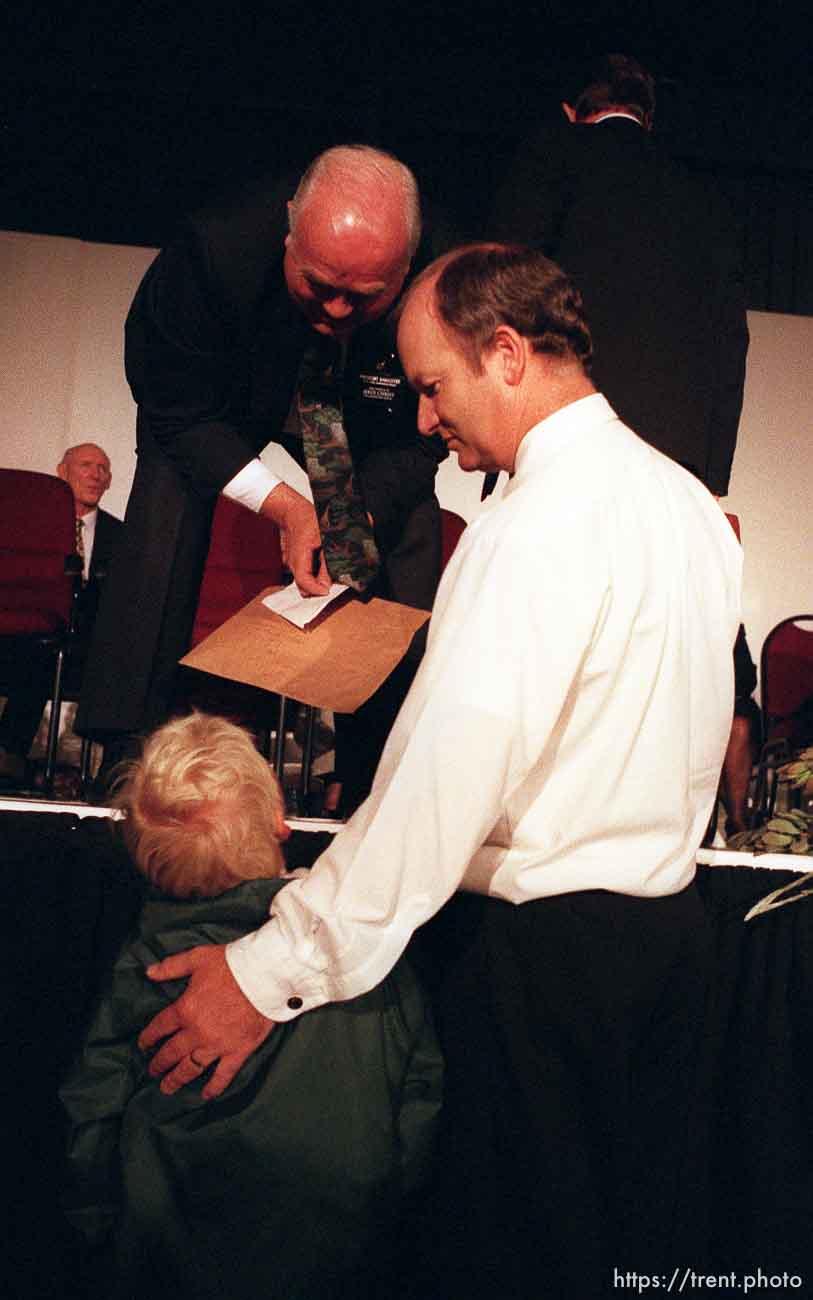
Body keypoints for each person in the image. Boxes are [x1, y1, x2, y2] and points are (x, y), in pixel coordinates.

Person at [131, 245, 742, 1295]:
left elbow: (444, 784)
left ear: (506, 353)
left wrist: (272, 970)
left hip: (537, 971)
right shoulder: (687, 502)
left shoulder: (540, 523)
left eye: (431, 385)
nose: (422, 421)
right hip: (669, 959)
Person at [76, 145, 446, 813]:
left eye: (361, 296)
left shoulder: (443, 280)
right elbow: (171, 407)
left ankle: (378, 768)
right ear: (286, 228)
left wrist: (346, 514)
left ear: (406, 268)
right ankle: (126, 746)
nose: (334, 311)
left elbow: (415, 447)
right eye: (318, 284)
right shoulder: (210, 250)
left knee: (400, 525)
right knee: (167, 491)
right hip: (227, 400)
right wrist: (282, 506)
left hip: (353, 417)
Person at [59, 711, 442, 1300]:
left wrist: (95, 1232)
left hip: (169, 1257)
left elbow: (94, 1111)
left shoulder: (151, 969)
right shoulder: (362, 952)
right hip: (339, 1251)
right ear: (280, 823)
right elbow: (419, 1094)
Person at [490, 52, 749, 498]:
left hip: (569, 438)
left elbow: (500, 279)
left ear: (572, 113)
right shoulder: (705, 198)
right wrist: (712, 474)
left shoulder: (556, 151)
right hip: (676, 465)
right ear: (648, 119)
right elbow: (731, 337)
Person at [0, 443, 121, 789]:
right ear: (61, 472)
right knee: (38, 650)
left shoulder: (124, 536)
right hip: (34, 639)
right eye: (86, 465)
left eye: (103, 468)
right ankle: (8, 758)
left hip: (92, 648)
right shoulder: (28, 530)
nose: (96, 475)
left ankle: (106, 779)